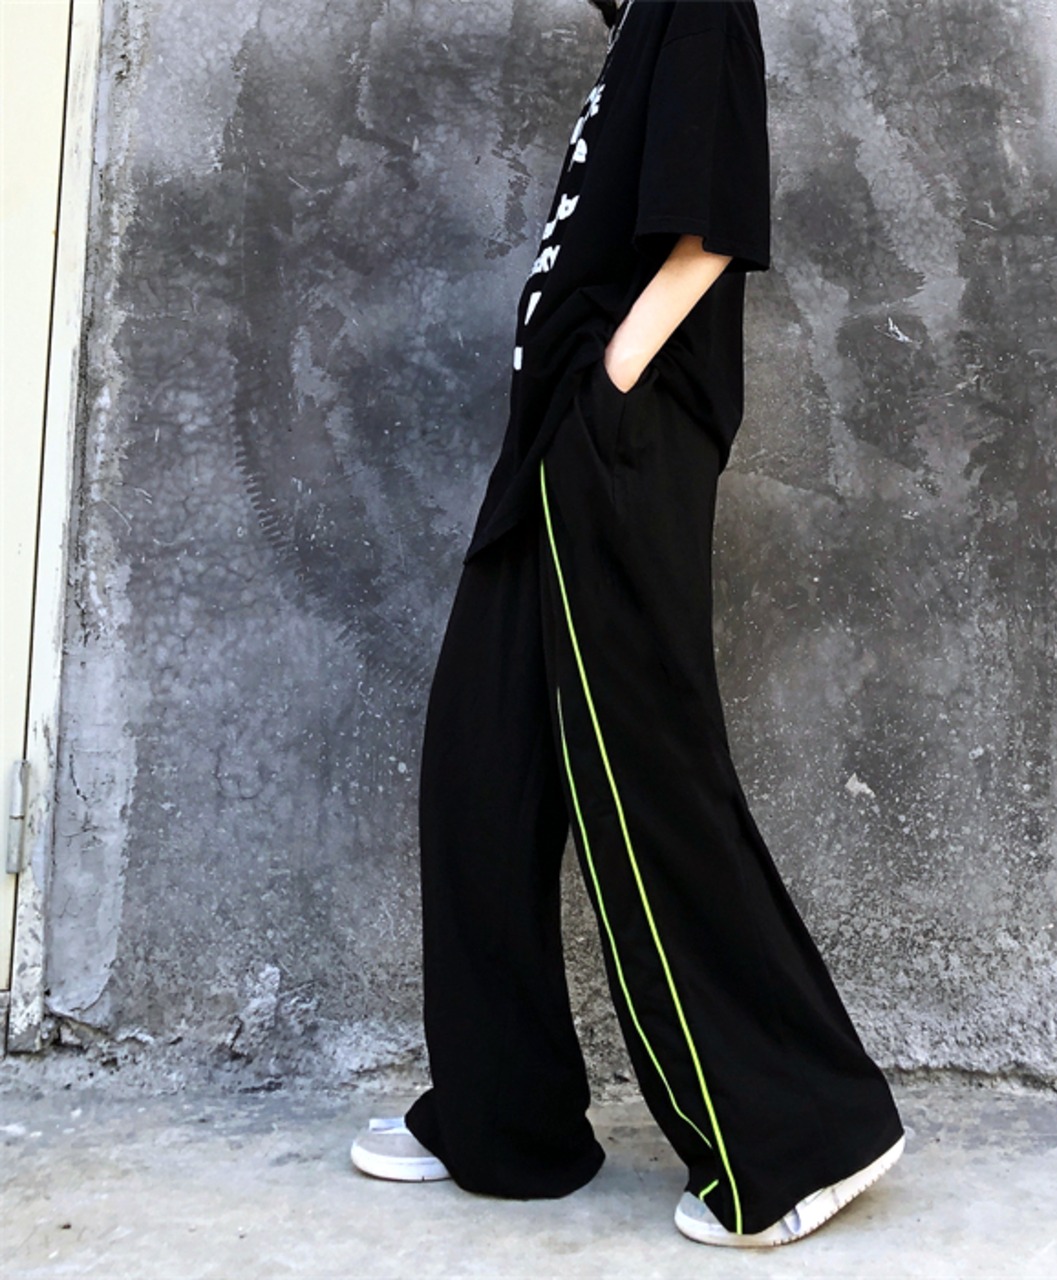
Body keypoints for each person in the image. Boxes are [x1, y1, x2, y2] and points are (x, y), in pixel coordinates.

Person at [350, 0, 905, 1247]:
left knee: (643, 778)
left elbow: (713, 227)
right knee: (481, 771)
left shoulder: (697, 8)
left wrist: (609, 384)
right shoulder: (641, 27)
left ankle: (805, 1133)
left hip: (615, 439)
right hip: (553, 444)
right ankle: (502, 1116)